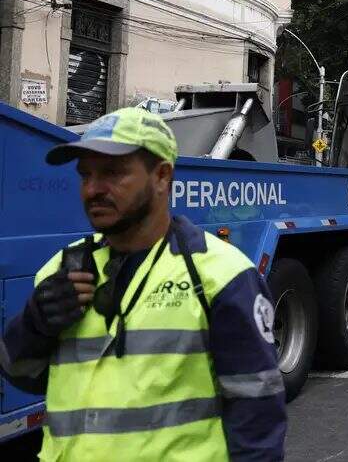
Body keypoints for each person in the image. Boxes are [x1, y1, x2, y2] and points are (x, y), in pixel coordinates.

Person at [0, 108, 286, 460]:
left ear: (162, 176)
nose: (92, 189)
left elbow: (257, 421)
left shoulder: (222, 276)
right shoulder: (61, 270)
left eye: (112, 173)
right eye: (85, 175)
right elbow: (20, 375)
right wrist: (34, 325)